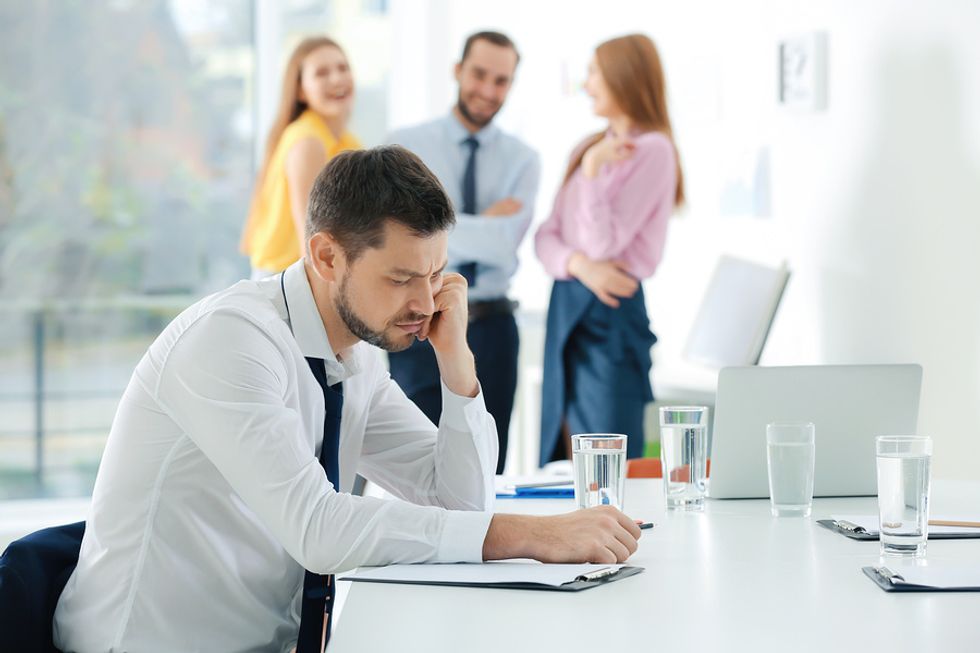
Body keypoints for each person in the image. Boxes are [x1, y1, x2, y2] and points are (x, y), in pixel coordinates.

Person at [53, 147, 642, 653]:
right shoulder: (232, 340)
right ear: (327, 256)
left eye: (435, 274)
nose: (425, 301)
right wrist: (535, 536)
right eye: (400, 277)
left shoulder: (357, 357)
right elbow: (320, 529)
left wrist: (456, 363)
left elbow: (461, 505)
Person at [386, 31, 540, 474]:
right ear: (457, 70)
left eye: (501, 80)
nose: (488, 91)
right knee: (416, 470)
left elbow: (504, 243)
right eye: (479, 74)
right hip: (417, 324)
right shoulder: (404, 146)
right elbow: (399, 238)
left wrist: (435, 223)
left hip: (493, 330)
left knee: (486, 471)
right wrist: (484, 224)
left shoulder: (524, 159)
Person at [535, 34, 685, 465]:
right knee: (561, 450)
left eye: (594, 73)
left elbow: (606, 242)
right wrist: (580, 265)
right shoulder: (591, 146)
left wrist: (593, 173)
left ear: (624, 76)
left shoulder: (653, 150)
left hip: (610, 310)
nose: (588, 84)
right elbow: (546, 237)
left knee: (606, 458)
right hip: (569, 303)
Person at [240, 36, 361, 280]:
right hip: (284, 279)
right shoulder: (308, 142)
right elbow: (312, 239)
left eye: (342, 68)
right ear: (300, 91)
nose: (337, 78)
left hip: (307, 274)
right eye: (321, 73)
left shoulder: (347, 143)